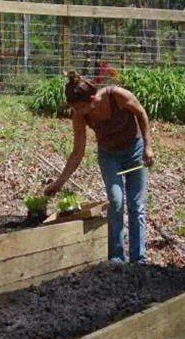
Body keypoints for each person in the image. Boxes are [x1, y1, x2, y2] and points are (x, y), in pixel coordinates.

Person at [44, 71, 154, 264]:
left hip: (134, 151)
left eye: (81, 107)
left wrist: (148, 146)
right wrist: (59, 183)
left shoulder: (118, 96)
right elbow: (77, 153)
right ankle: (116, 257)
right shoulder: (80, 117)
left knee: (137, 205)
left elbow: (141, 113)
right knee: (116, 201)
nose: (79, 112)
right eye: (75, 108)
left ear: (93, 99)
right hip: (109, 156)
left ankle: (139, 258)